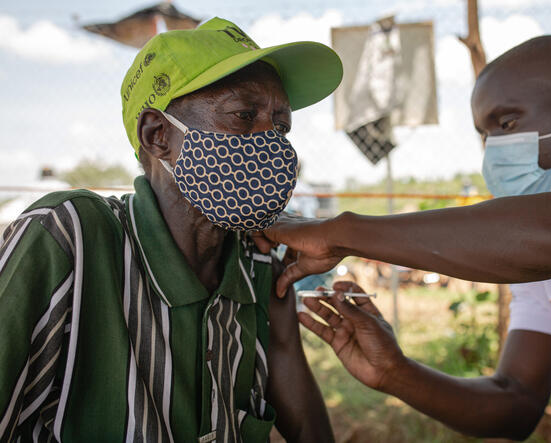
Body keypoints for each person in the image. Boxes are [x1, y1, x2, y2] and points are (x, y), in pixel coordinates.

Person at [254, 36, 551, 441]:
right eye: (485, 135)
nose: (493, 151)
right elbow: (516, 401)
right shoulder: (538, 250)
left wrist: (340, 233)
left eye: (507, 124)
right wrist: (395, 372)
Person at [0, 17, 342, 442]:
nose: (271, 142)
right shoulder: (68, 237)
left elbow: (300, 410)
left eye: (280, 125)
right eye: (244, 115)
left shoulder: (255, 262)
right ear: (158, 135)